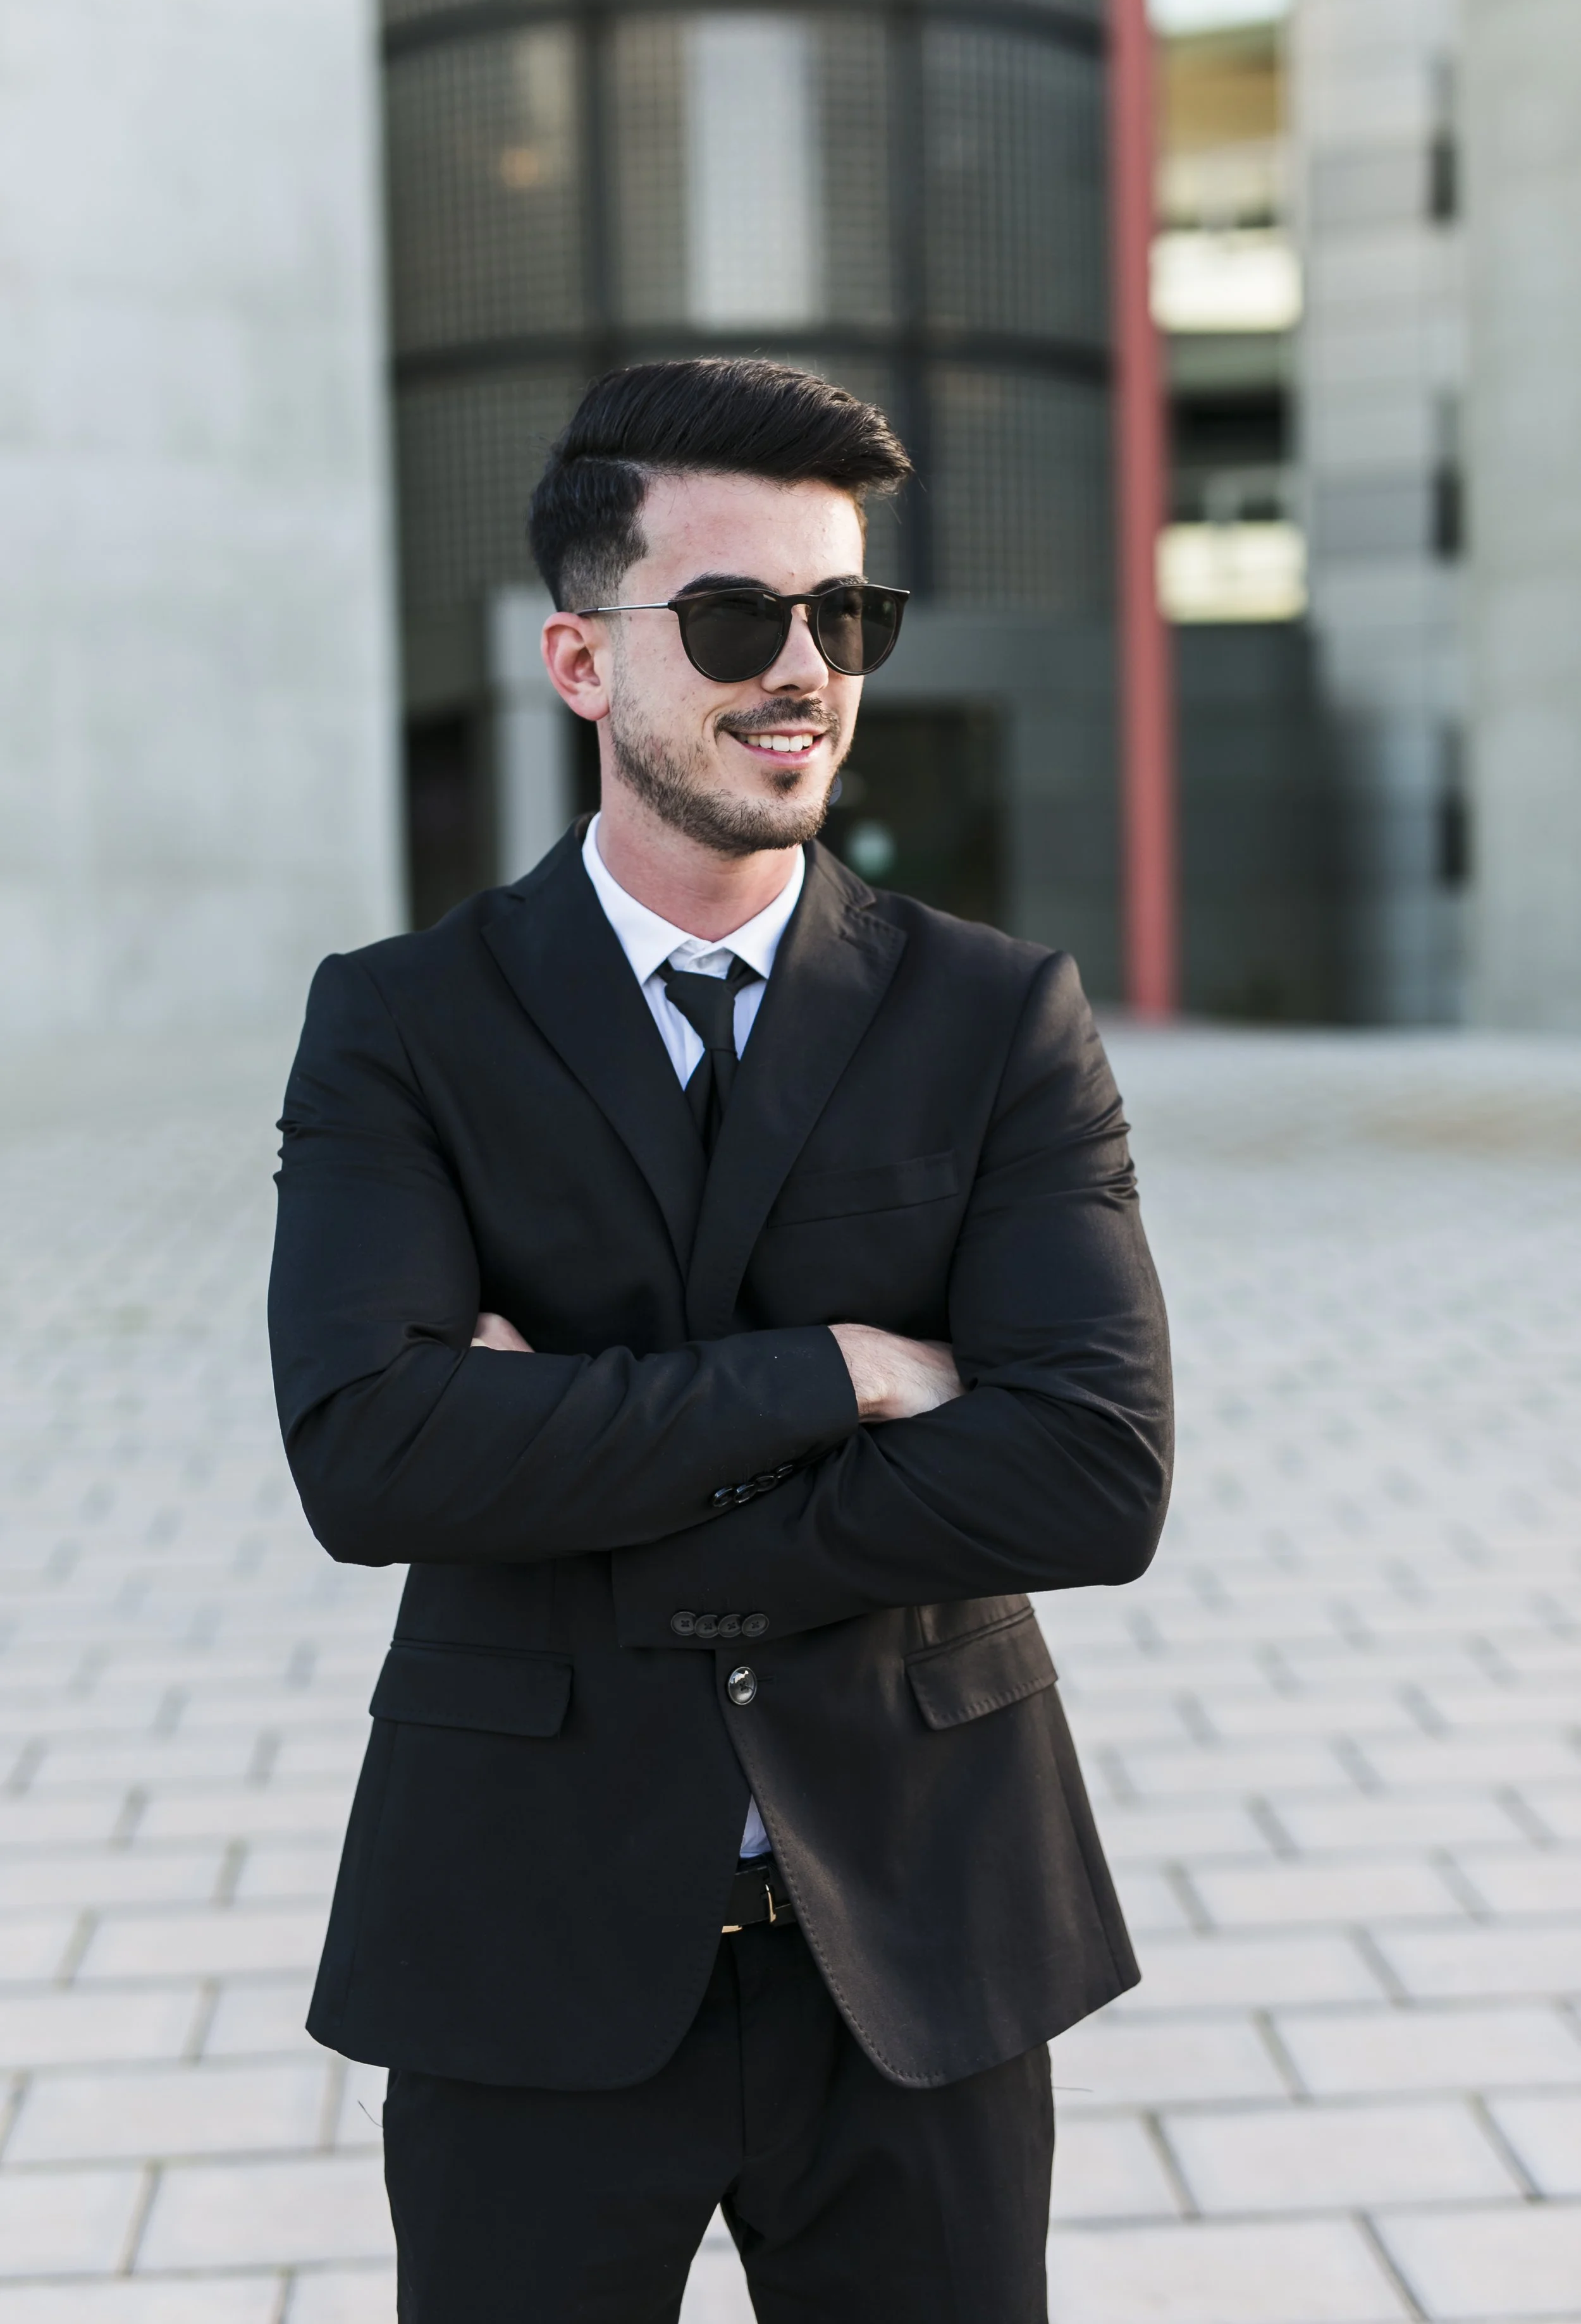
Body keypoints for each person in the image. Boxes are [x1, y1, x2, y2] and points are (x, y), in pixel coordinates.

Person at [269, 357, 1172, 2323]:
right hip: (525, 1928)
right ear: (580, 659)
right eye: (739, 614)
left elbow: (1092, 1474)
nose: (805, 670)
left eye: (845, 614)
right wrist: (837, 1369)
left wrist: (566, 1472)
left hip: (923, 1927)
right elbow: (370, 1454)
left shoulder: (995, 1015)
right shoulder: (401, 1024)